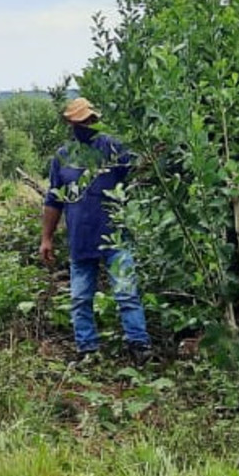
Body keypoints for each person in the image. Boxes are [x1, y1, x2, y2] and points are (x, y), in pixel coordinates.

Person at [39, 97, 153, 366]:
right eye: (81, 121)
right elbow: (53, 200)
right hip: (80, 239)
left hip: (115, 236)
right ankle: (87, 349)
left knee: (126, 294)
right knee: (80, 298)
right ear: (71, 123)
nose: (86, 125)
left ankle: (140, 346)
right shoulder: (63, 157)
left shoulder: (114, 148)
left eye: (90, 120)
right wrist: (46, 238)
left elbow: (139, 174)